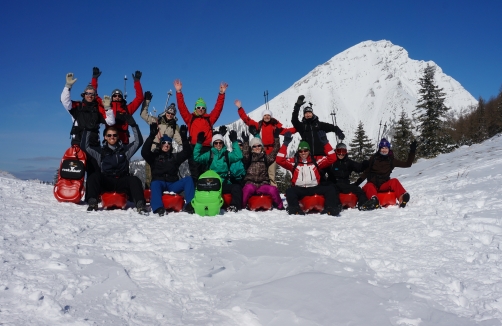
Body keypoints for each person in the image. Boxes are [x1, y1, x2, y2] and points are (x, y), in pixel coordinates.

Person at [61, 70, 115, 201]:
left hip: (93, 145)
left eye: (92, 94)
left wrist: (108, 108)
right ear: (84, 94)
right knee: (75, 171)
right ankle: (70, 193)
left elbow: (110, 121)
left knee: (93, 172)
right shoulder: (77, 107)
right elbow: (64, 101)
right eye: (87, 93)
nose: (90, 95)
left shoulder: (98, 110)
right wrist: (67, 87)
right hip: (78, 145)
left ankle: (91, 197)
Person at [82, 114, 146, 213]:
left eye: (114, 135)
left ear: (118, 136)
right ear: (105, 137)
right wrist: (88, 129)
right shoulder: (100, 151)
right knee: (94, 176)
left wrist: (134, 125)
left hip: (122, 180)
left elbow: (138, 142)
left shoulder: (124, 150)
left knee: (134, 179)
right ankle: (92, 202)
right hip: (107, 181)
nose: (112, 137)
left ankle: (140, 204)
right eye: (109, 135)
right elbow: (85, 147)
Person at [174, 79, 228, 183]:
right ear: (195, 108)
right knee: (195, 175)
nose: (201, 109)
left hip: (208, 149)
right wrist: (179, 92)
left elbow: (218, 109)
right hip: (194, 149)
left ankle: (208, 197)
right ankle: (195, 197)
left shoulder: (209, 119)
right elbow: (182, 108)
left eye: (203, 107)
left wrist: (221, 94)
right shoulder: (190, 118)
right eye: (198, 107)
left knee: (207, 175)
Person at [276, 131, 341, 215]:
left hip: (314, 187)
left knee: (330, 189)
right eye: (301, 151)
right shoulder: (294, 162)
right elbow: (279, 160)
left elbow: (332, 158)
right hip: (300, 188)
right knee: (290, 191)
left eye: (305, 150)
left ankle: (330, 208)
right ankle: (294, 208)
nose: (303, 153)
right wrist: (285, 144)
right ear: (298, 152)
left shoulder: (316, 160)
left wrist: (326, 143)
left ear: (309, 151)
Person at [236, 99, 295, 187]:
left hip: (272, 153)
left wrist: (298, 128)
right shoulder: (259, 125)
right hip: (261, 153)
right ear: (262, 116)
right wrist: (240, 108)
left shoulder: (275, 127)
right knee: (261, 176)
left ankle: (273, 193)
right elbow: (247, 120)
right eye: (265, 115)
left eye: (268, 115)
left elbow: (287, 131)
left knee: (271, 176)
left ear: (271, 116)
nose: (267, 117)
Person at [141, 123, 194, 216]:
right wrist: (151, 136)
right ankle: (158, 208)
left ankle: (190, 205)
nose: (166, 145)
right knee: (155, 183)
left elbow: (187, 153)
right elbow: (144, 152)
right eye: (164, 143)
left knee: (188, 179)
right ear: (160, 145)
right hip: (159, 183)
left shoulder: (174, 157)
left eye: (169, 143)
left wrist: (184, 139)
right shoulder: (154, 157)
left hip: (173, 184)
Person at [356, 138, 417, 209]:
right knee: (368, 186)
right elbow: (366, 172)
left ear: (389, 149)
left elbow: (408, 164)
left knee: (394, 181)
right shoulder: (374, 158)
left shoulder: (391, 160)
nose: (384, 150)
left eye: (386, 148)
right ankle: (374, 200)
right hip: (373, 184)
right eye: (382, 148)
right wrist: (356, 183)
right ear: (379, 148)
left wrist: (412, 151)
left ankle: (403, 197)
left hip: (384, 185)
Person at [140, 91, 182, 188]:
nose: (170, 115)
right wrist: (146, 102)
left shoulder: (174, 127)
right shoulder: (156, 121)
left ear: (174, 115)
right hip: (153, 148)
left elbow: (179, 140)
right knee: (149, 173)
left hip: (165, 152)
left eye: (172, 114)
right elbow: (143, 114)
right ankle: (148, 191)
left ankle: (161, 190)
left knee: (159, 173)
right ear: (166, 112)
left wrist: (189, 143)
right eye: (168, 112)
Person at [193, 130, 243, 212]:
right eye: (216, 143)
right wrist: (199, 143)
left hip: (223, 183)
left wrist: (234, 142)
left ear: (223, 144)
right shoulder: (209, 154)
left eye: (220, 142)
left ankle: (234, 205)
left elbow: (238, 156)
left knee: (236, 187)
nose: (218, 145)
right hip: (211, 183)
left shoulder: (227, 155)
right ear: (213, 144)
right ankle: (195, 204)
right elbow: (196, 157)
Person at [91, 67, 144, 144]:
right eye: (115, 96)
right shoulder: (106, 106)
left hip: (123, 142)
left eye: (119, 96)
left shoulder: (127, 109)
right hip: (109, 141)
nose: (117, 97)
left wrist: (137, 82)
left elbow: (139, 98)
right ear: (112, 97)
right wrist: (94, 79)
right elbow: (94, 95)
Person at [241, 128, 283, 210]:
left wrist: (276, 138)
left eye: (259, 146)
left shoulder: (265, 158)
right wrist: (246, 142)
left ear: (262, 147)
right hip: (251, 183)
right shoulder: (249, 158)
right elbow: (245, 155)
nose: (257, 148)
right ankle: (242, 205)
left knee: (273, 190)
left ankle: (279, 206)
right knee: (247, 189)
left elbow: (275, 151)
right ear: (252, 148)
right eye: (254, 146)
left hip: (263, 184)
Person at [326, 143, 372, 210]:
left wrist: (364, 164)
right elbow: (323, 169)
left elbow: (358, 168)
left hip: (345, 184)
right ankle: (336, 205)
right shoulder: (331, 162)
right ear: (336, 151)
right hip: (334, 184)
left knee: (358, 190)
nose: (341, 154)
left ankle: (363, 204)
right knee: (332, 191)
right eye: (339, 151)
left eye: (343, 152)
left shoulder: (348, 162)